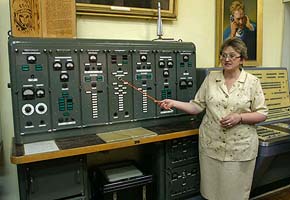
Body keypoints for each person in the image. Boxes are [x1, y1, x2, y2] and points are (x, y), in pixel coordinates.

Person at [158, 37, 268, 200]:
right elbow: (196, 106)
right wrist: (173, 103)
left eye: (232, 55)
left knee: (235, 194)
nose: (226, 59)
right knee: (211, 193)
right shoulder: (211, 78)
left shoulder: (252, 82)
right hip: (211, 146)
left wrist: (240, 117)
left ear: (242, 59)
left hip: (239, 149)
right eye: (223, 55)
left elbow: (262, 114)